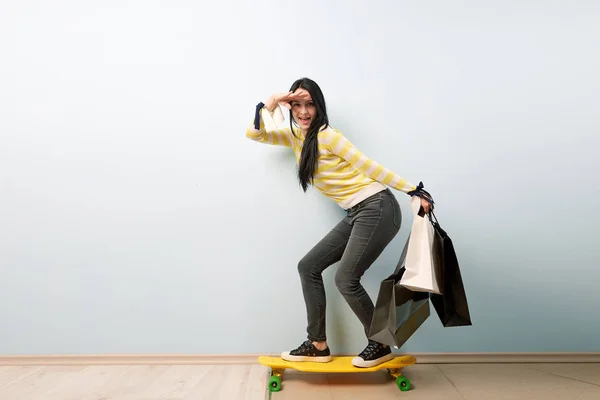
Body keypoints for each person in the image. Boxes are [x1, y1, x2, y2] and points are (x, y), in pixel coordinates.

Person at [245, 77, 432, 368]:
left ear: (319, 106)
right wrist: (270, 102)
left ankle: (380, 343)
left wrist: (412, 189)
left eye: (310, 104)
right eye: (297, 104)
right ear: (289, 106)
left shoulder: (328, 135)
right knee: (308, 267)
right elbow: (254, 135)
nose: (304, 112)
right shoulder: (296, 137)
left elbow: (367, 165)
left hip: (377, 207)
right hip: (357, 213)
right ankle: (318, 344)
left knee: (345, 278)